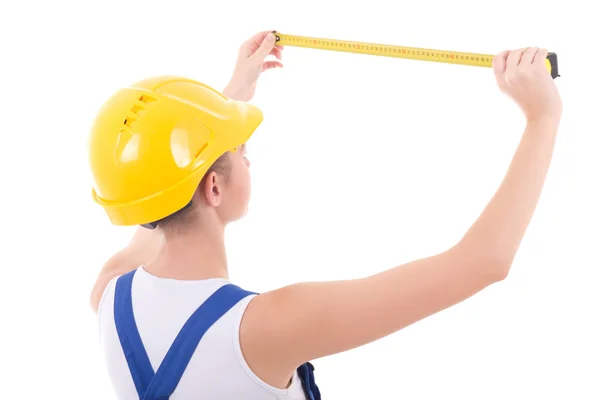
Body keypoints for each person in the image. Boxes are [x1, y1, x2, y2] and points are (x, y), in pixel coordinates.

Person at [88, 30, 562, 400]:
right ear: (213, 186)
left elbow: (158, 193)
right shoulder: (266, 327)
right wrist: (543, 118)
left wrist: (230, 98)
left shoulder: (111, 294)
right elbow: (482, 263)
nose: (248, 156)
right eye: (239, 150)